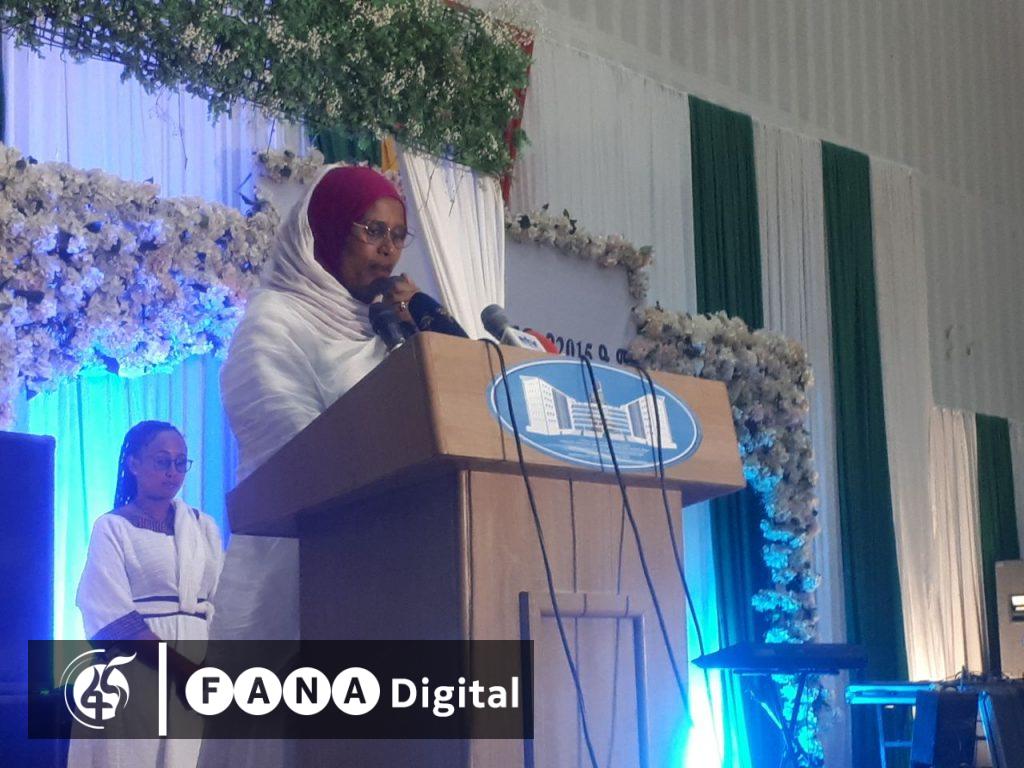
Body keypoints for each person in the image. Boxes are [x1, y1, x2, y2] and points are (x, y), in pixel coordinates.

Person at [68, 421, 223, 768]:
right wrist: (182, 670)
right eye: (162, 461)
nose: (172, 472)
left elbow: (221, 600)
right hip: (137, 668)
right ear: (134, 464)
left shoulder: (204, 527)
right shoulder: (113, 526)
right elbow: (109, 614)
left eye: (180, 462)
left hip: (199, 663)